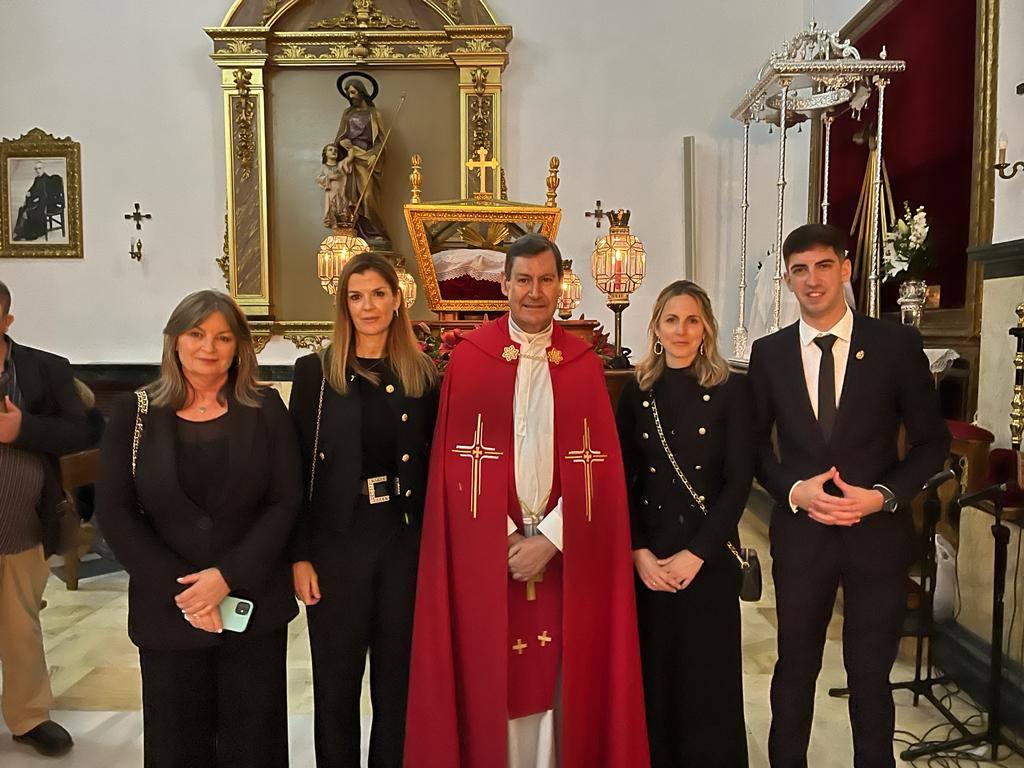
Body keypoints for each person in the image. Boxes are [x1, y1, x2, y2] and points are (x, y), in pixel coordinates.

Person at [404, 233, 649, 768]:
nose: (534, 292)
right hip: (489, 553)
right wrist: (505, 537)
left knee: (569, 679)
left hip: (567, 553)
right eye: (523, 280)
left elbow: (602, 471)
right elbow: (451, 467)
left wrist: (553, 539)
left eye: (545, 280)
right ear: (504, 285)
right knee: (489, 670)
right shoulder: (471, 360)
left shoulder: (582, 363)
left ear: (560, 284)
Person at [748, 224, 950, 768]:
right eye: (799, 270)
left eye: (822, 266)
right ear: (788, 279)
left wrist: (883, 496)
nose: (812, 281)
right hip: (803, 537)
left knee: (869, 676)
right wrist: (793, 489)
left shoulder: (895, 345)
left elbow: (933, 443)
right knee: (794, 670)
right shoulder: (768, 355)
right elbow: (753, 450)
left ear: (845, 268)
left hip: (876, 538)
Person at [96, 290, 302, 768]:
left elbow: (285, 501)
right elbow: (115, 512)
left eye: (222, 337)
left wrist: (226, 577)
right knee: (176, 741)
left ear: (239, 347)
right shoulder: (136, 412)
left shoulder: (266, 408)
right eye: (196, 333)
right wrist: (188, 592)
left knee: (254, 741)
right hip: (167, 608)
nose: (208, 346)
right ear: (173, 341)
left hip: (252, 606)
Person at [289, 252, 439, 768]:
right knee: (336, 683)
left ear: (398, 300)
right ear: (343, 305)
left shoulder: (422, 375)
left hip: (401, 543)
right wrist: (299, 555)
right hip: (337, 545)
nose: (368, 306)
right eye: (356, 296)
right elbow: (295, 472)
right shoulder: (315, 374)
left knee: (396, 682)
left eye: (378, 294)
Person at [616, 280, 751, 767]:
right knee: (657, 676)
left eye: (692, 320)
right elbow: (620, 478)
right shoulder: (638, 393)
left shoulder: (732, 390)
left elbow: (739, 482)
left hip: (706, 558)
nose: (681, 330)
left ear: (707, 328)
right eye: (671, 319)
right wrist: (637, 551)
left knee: (707, 681)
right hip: (651, 556)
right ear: (655, 327)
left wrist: (698, 553)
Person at [0, 280, 89, 757]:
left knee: (19, 626)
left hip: (22, 524)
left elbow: (78, 432)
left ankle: (30, 717)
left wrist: (22, 429)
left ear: (7, 320)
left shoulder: (44, 369)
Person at [334, 78, 388, 242]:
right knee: (351, 198)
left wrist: (374, 154)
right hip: (351, 157)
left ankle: (376, 233)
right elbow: (339, 137)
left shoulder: (374, 114)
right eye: (348, 93)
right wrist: (341, 142)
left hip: (367, 156)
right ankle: (357, 234)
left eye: (353, 92)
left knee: (368, 196)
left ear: (361, 92)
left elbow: (381, 140)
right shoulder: (347, 113)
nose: (350, 96)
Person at [12, 162, 50, 241]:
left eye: (39, 168)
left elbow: (47, 195)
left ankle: (28, 233)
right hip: (35, 201)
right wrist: (28, 192)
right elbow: (32, 189)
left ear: (44, 168)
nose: (37, 171)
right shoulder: (37, 179)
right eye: (36, 169)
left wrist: (38, 199)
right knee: (21, 209)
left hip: (42, 204)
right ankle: (19, 231)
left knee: (28, 212)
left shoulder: (47, 179)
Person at [316, 143, 345, 229]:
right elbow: (319, 178)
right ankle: (334, 224)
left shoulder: (340, 166)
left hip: (341, 191)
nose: (333, 152)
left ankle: (342, 223)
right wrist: (330, 177)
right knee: (331, 208)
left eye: (335, 150)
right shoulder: (324, 167)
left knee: (341, 207)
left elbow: (345, 177)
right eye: (330, 150)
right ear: (325, 153)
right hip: (331, 192)